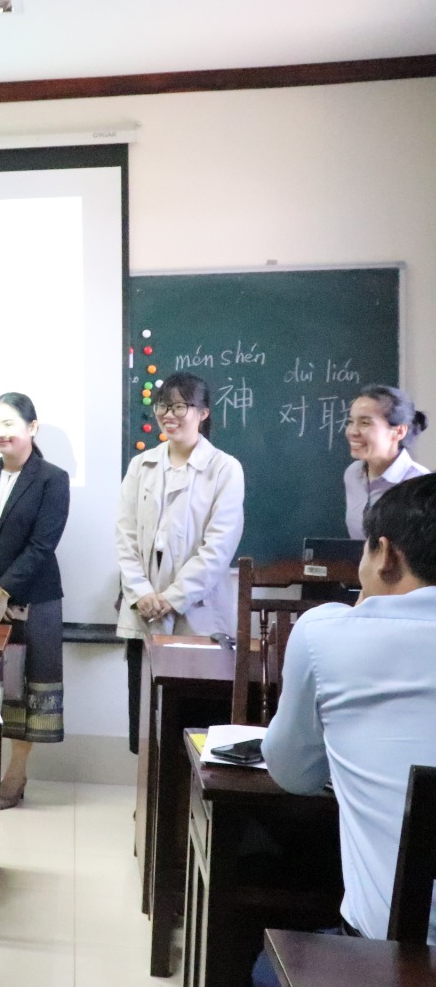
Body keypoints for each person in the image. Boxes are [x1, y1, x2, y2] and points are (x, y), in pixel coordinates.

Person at [259, 474, 436, 966]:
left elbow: (292, 773)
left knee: (268, 966)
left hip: (395, 958)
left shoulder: (326, 634)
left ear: (385, 555)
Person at [115, 372, 245, 753]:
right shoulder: (141, 466)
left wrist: (172, 599)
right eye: (162, 406)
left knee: (192, 731)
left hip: (198, 617)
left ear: (203, 413)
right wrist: (141, 593)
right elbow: (124, 537)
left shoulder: (224, 469)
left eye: (179, 406)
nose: (168, 415)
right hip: (143, 612)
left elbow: (218, 547)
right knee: (145, 731)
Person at [0, 392, 70, 809]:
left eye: (9, 424)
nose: (0, 433)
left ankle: (16, 772)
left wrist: (3, 591)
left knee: (26, 686)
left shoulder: (52, 479)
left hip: (34, 600)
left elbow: (43, 544)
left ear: (32, 427)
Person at [343, 384, 428, 539]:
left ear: (399, 431)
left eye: (365, 423)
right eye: (351, 421)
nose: (352, 432)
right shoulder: (353, 474)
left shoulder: (421, 485)